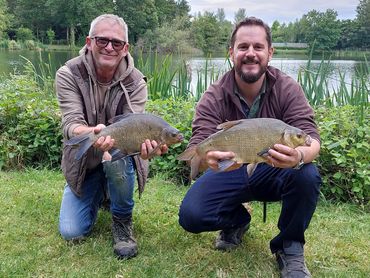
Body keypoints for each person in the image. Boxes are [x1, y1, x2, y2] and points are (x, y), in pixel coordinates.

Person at [178, 17, 321, 278]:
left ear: (270, 52)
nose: (251, 54)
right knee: (191, 216)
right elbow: (201, 137)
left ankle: (289, 247)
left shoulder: (287, 88)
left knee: (307, 173)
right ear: (231, 52)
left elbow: (312, 139)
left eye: (258, 47)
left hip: (273, 168)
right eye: (243, 47)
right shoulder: (215, 93)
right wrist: (208, 156)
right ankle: (237, 221)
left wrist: (298, 155)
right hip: (230, 168)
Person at [55, 14, 167, 259]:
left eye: (116, 43)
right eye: (102, 40)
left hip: (119, 156)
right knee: (71, 231)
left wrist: (146, 148)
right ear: (88, 41)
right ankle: (101, 192)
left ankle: (122, 222)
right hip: (84, 161)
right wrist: (91, 133)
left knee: (114, 160)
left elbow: (135, 128)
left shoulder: (136, 81)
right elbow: (70, 124)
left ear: (125, 48)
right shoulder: (68, 73)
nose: (109, 47)